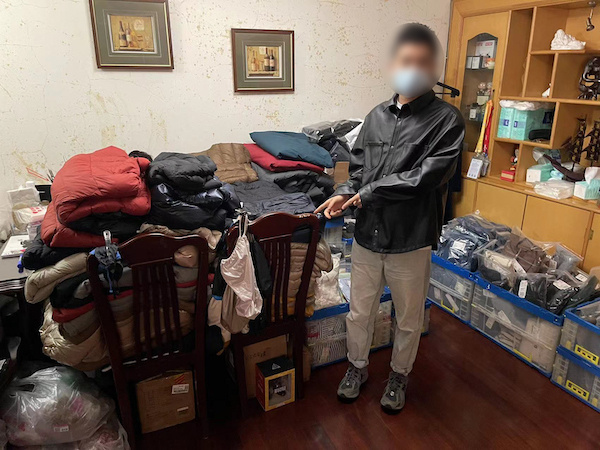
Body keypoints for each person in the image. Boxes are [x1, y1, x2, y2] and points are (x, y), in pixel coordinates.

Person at [315, 23, 465, 414]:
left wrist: (366, 194)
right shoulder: (375, 116)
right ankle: (357, 366)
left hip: (410, 238)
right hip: (368, 235)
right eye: (405, 60)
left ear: (434, 67)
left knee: (409, 318)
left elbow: (426, 177)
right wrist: (344, 192)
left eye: (422, 61)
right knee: (359, 311)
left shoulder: (447, 120)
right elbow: (359, 170)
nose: (412, 68)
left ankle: (399, 374)